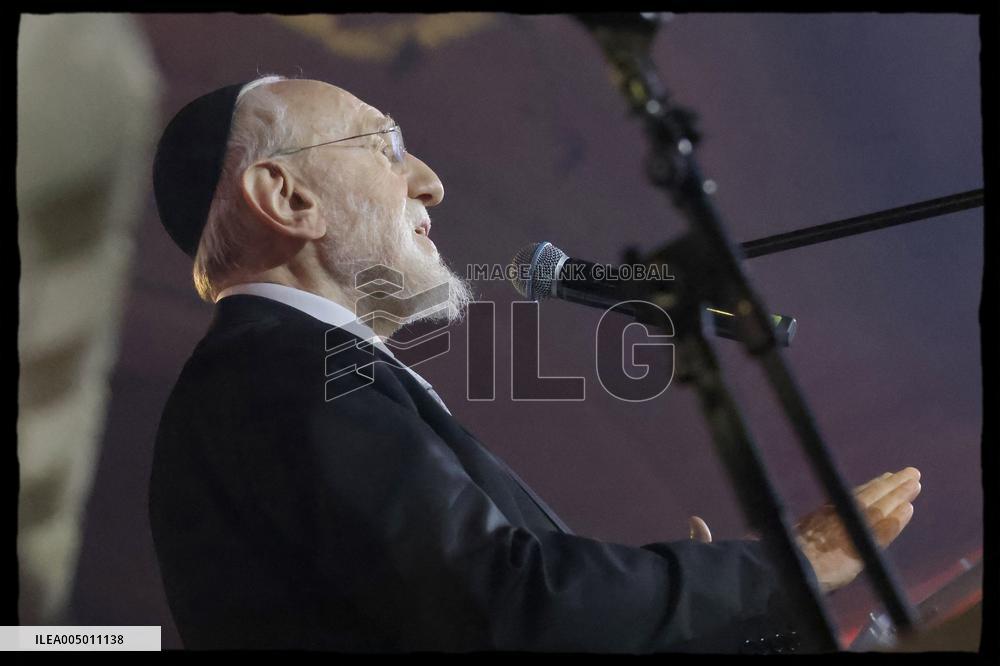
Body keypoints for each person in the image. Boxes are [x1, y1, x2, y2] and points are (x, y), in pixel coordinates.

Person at [148, 75, 922, 652]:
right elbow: (506, 603)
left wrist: (725, 609)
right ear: (285, 198)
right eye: (383, 146)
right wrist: (792, 566)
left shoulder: (294, 368)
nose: (429, 181)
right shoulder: (270, 375)